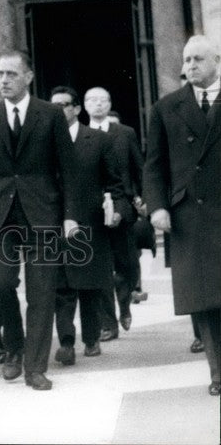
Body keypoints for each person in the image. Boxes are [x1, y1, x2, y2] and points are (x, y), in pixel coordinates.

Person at [0, 50, 79, 391]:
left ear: (28, 77)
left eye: (11, 74)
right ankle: (14, 347)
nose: (3, 80)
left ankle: (35, 367)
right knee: (0, 284)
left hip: (42, 214)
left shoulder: (50, 115)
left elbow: (69, 170)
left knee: (42, 293)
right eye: (0, 74)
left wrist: (70, 216)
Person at [143, 34, 221, 397]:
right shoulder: (165, 107)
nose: (189, 67)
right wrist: (157, 206)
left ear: (216, 61)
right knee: (204, 298)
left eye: (197, 60)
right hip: (191, 213)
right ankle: (218, 372)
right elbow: (154, 166)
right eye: (186, 60)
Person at [49, 86, 127, 365]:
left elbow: (116, 182)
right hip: (55, 222)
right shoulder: (44, 140)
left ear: (77, 109)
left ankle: (91, 338)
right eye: (54, 105)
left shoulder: (98, 140)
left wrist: (116, 208)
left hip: (89, 222)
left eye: (65, 105)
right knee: (61, 286)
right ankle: (67, 343)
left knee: (89, 286)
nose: (59, 110)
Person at [83, 86, 143, 340]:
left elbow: (137, 167)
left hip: (121, 205)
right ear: (84, 105)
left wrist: (142, 198)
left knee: (126, 263)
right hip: (92, 209)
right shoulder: (79, 135)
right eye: (93, 100)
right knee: (100, 268)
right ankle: (108, 323)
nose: (98, 104)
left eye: (103, 100)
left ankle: (126, 299)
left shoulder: (124, 133)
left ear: (110, 104)